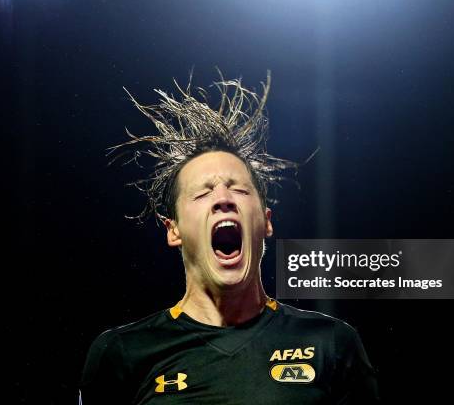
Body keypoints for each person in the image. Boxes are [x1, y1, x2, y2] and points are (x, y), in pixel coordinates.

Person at [79, 70, 380, 404]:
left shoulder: (332, 343)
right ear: (173, 230)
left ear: (266, 222)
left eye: (238, 189)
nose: (224, 198)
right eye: (202, 193)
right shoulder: (123, 352)